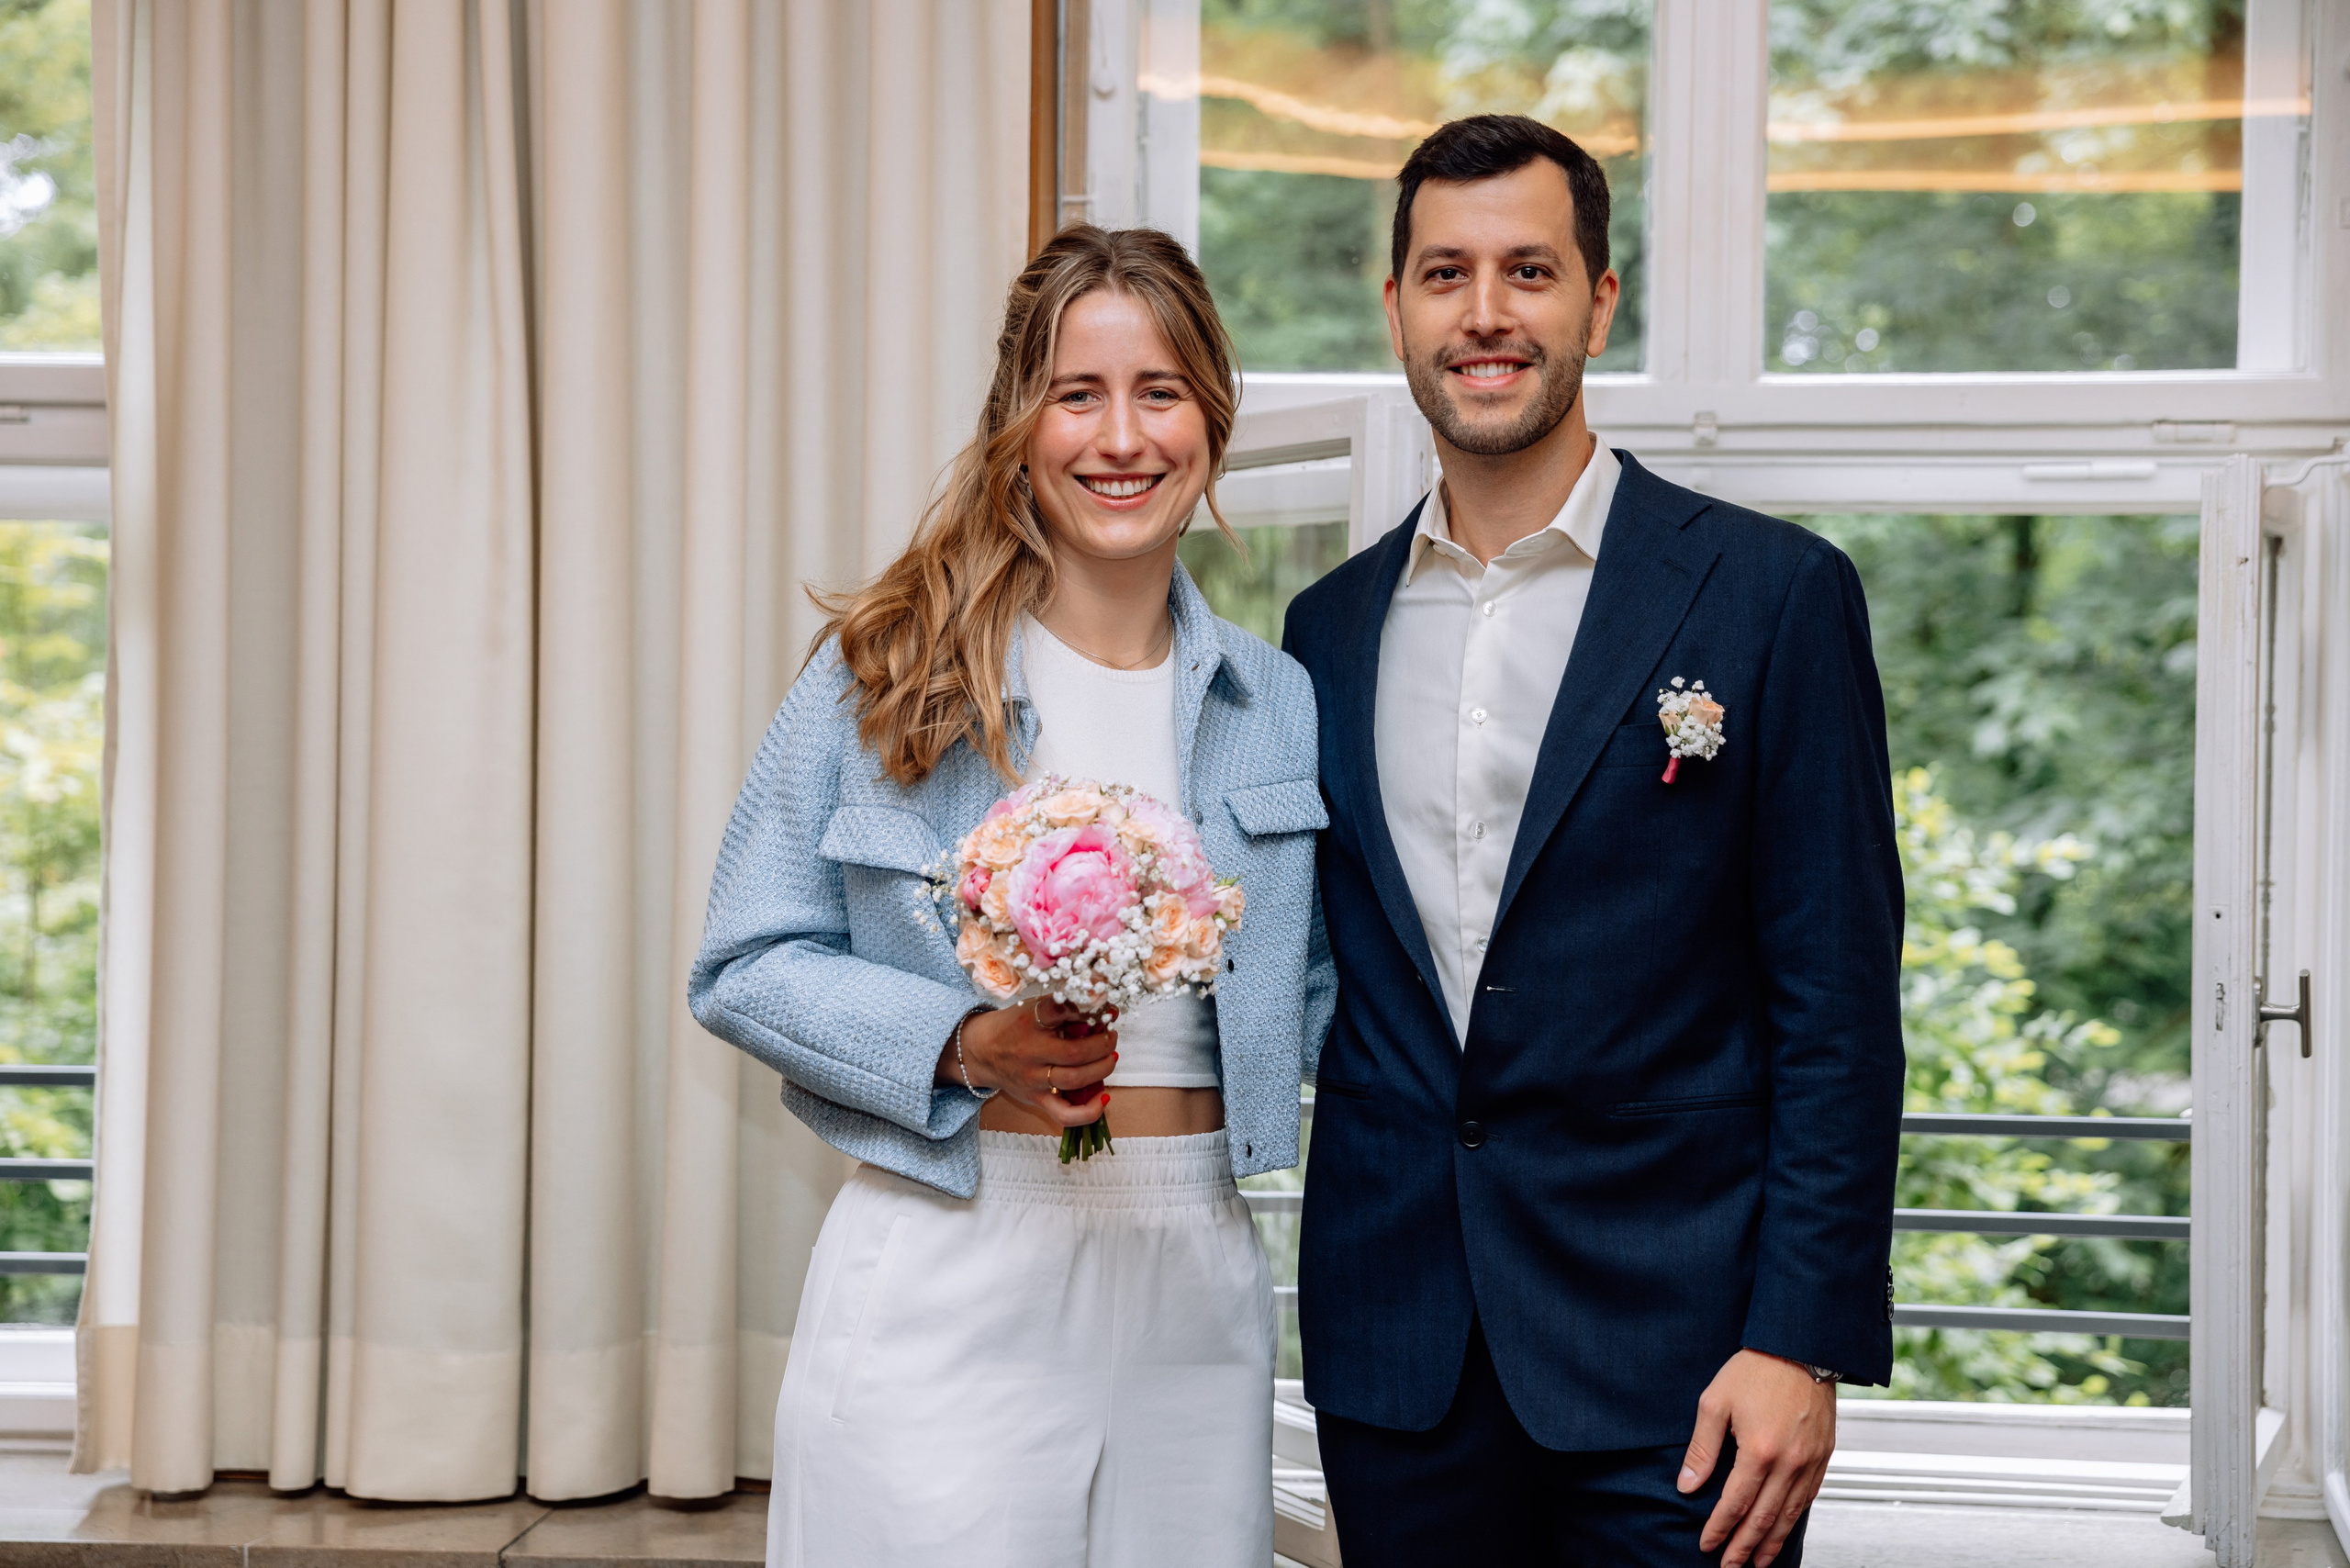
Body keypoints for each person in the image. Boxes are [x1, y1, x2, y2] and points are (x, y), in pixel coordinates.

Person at [1281, 115, 1904, 1568]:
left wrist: (1800, 1340)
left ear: (1599, 300)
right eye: (1445, 273)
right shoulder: (1324, 634)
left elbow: (1837, 1008)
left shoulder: (1772, 597)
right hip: (1399, 1357)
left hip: (1685, 1375)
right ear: (1395, 310)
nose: (1485, 313)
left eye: (1529, 271)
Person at [688, 225, 1331, 1568]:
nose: (1122, 437)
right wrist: (964, 1046)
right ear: (1017, 422)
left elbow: (1326, 987)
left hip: (1193, 1264)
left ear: (1212, 419)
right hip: (954, 1242)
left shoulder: (1278, 702)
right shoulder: (889, 673)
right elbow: (744, 962)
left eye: (1159, 392)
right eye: (1077, 393)